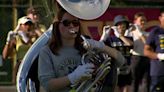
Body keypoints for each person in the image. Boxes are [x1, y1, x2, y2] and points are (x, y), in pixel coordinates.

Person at [38, 8, 126, 92]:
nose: (72, 26)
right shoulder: (46, 51)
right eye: (66, 23)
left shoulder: (87, 47)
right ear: (57, 25)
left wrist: (100, 45)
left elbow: (121, 60)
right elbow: (47, 85)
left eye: (75, 23)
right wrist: (73, 77)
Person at [100, 15, 133, 92]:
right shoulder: (111, 39)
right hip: (114, 70)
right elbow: (100, 47)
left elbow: (130, 44)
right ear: (116, 26)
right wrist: (104, 35)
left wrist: (120, 36)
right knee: (115, 89)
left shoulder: (129, 38)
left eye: (124, 24)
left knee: (126, 90)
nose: (122, 26)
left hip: (126, 70)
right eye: (120, 24)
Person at [2, 16, 34, 84]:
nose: (28, 26)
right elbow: (5, 56)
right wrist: (8, 42)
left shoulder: (35, 35)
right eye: (25, 24)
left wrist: (27, 38)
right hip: (21, 65)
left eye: (30, 24)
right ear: (20, 26)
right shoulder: (16, 38)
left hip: (33, 65)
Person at [144, 9, 164, 92]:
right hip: (158, 71)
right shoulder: (155, 31)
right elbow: (146, 51)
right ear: (160, 18)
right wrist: (159, 56)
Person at [130, 12, 150, 92]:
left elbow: (147, 44)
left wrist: (139, 33)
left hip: (146, 59)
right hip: (135, 59)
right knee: (134, 82)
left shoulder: (148, 34)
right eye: (141, 20)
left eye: (144, 20)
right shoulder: (131, 33)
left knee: (147, 82)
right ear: (135, 22)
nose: (143, 22)